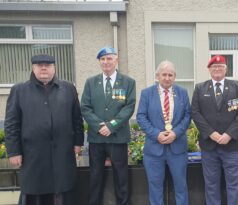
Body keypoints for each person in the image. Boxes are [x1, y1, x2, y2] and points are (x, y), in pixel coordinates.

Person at [4, 54, 84, 205]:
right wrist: (14, 151)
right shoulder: (19, 90)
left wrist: (78, 142)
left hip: (63, 152)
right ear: (33, 68)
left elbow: (77, 119)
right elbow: (11, 123)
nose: (43, 68)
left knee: (63, 188)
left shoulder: (68, 89)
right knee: (36, 190)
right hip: (33, 155)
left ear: (54, 68)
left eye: (48, 65)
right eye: (39, 65)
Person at [81, 46, 136, 205]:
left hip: (118, 138)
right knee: (95, 177)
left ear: (116, 60)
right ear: (99, 62)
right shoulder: (91, 82)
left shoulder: (128, 82)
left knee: (121, 177)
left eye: (109, 58)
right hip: (96, 139)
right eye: (102, 59)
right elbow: (85, 107)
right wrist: (99, 125)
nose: (106, 62)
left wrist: (111, 126)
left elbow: (129, 107)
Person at [191, 55, 238, 205]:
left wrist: (229, 134)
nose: (217, 69)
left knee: (235, 185)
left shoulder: (237, 87)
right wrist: (211, 133)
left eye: (220, 66)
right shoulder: (200, 88)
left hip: (232, 145)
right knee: (211, 185)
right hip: (209, 146)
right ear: (209, 70)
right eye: (214, 67)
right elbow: (195, 113)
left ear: (226, 69)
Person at [137, 60, 191, 205]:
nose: (167, 78)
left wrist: (176, 133)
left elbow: (187, 116)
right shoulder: (147, 93)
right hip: (154, 150)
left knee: (181, 186)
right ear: (157, 76)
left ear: (175, 76)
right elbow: (141, 117)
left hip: (177, 148)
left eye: (170, 75)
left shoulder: (182, 93)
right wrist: (156, 134)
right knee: (155, 187)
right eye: (164, 74)